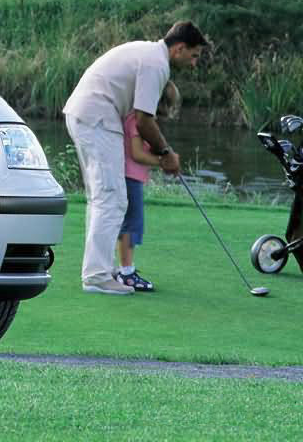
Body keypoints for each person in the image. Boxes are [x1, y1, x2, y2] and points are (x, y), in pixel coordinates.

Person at [62, 21, 207, 294]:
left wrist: (164, 153)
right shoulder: (156, 65)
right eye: (194, 55)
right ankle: (96, 277)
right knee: (112, 198)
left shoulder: (148, 53)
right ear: (179, 48)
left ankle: (97, 273)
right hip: (97, 118)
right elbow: (143, 120)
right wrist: (166, 154)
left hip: (87, 115)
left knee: (102, 198)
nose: (194, 63)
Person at [116, 80, 180, 292]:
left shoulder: (139, 120)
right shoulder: (135, 120)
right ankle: (126, 273)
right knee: (132, 225)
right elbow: (136, 153)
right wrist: (162, 162)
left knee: (131, 224)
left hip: (132, 177)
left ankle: (125, 269)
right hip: (129, 177)